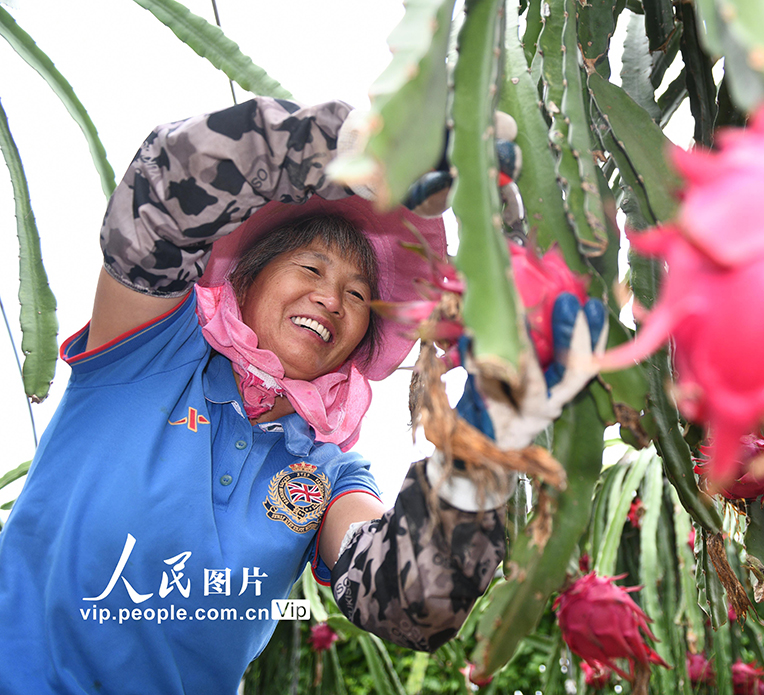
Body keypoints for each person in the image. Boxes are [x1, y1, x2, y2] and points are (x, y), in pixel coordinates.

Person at [0, 97, 604, 693]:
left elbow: (409, 597)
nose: (332, 299)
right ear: (246, 274)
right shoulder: (154, 348)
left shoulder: (329, 473)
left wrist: (499, 413)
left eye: (359, 294)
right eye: (311, 270)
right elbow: (164, 185)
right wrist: (360, 147)